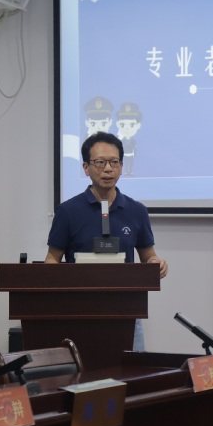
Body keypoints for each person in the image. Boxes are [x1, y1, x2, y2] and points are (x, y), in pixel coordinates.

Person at [44, 132, 168, 349]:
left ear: (121, 166)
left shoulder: (137, 211)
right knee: (83, 370)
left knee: (132, 368)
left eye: (114, 162)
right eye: (100, 162)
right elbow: (52, 260)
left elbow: (149, 257)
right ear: (86, 167)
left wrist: (156, 263)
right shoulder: (68, 211)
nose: (108, 169)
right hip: (78, 312)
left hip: (127, 312)